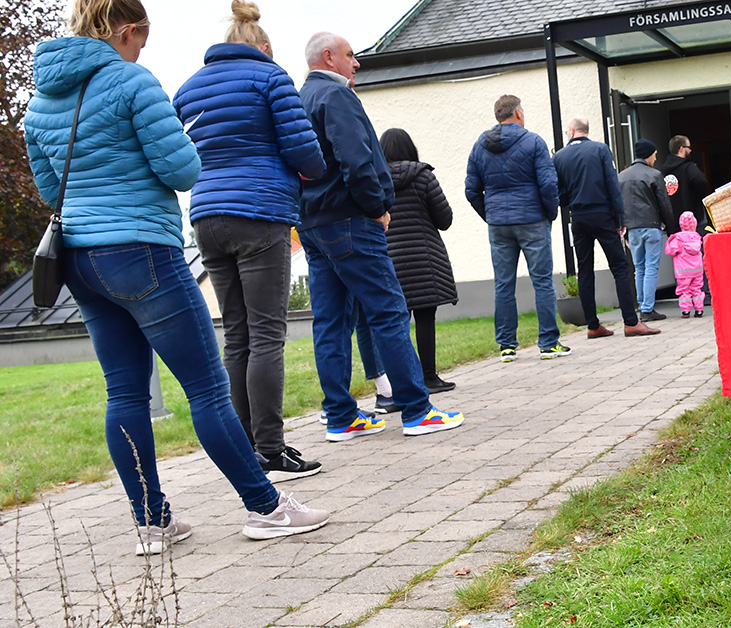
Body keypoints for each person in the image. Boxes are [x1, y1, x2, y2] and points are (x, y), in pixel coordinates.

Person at [24, 0, 329, 554]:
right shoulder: (132, 82)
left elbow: (51, 190)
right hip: (140, 250)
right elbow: (183, 169)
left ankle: (152, 523)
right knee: (207, 388)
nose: (142, 51)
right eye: (142, 40)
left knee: (124, 392)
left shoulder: (41, 99)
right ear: (126, 30)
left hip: (79, 261)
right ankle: (267, 508)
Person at [173, 0, 325, 483]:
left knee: (236, 335)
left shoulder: (188, 87)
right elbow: (304, 150)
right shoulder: (270, 77)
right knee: (266, 335)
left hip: (206, 217)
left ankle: (244, 448)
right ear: (264, 47)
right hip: (260, 213)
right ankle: (271, 449)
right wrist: (309, 171)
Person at [298, 31, 463, 438]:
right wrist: (376, 208)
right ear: (328, 57)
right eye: (350, 55)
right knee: (388, 311)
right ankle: (416, 409)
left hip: (313, 223)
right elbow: (356, 160)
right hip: (351, 220)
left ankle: (340, 416)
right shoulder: (336, 96)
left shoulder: (300, 99)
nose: (356, 63)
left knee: (330, 322)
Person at [465, 94, 570, 362]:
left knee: (503, 284)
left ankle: (507, 346)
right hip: (532, 220)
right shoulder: (533, 142)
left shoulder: (479, 145)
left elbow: (471, 190)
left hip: (499, 224)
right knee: (542, 281)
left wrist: (491, 214)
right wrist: (550, 213)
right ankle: (548, 343)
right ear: (518, 113)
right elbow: (548, 184)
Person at [552, 118, 659, 339]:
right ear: (586, 131)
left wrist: (572, 201)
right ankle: (631, 322)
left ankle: (593, 325)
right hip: (602, 215)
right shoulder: (600, 149)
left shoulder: (559, 157)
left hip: (578, 217)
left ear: (571, 131)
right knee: (620, 267)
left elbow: (558, 193)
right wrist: (620, 219)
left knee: (585, 270)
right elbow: (613, 186)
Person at [379, 128, 459, 392]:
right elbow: (444, 219)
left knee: (396, 322)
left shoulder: (375, 180)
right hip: (424, 259)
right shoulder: (423, 177)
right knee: (425, 317)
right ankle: (429, 377)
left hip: (389, 259)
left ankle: (401, 383)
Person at [618, 138, 674, 323]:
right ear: (648, 154)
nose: (655, 159)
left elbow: (617, 204)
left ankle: (642, 305)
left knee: (639, 268)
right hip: (651, 226)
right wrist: (671, 228)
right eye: (655, 155)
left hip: (632, 229)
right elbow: (664, 204)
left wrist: (622, 228)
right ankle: (648, 309)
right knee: (651, 267)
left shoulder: (621, 176)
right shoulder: (654, 174)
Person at [658, 135, 711, 235]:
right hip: (692, 219)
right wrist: (699, 197)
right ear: (681, 149)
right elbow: (702, 181)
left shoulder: (663, 170)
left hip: (673, 222)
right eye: (688, 147)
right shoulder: (689, 167)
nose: (690, 150)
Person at [664, 212, 705, 318]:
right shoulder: (697, 237)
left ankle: (686, 311)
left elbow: (670, 251)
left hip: (683, 272)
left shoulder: (678, 238)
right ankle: (699, 309)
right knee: (697, 289)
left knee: (684, 290)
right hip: (697, 270)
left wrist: (669, 241)